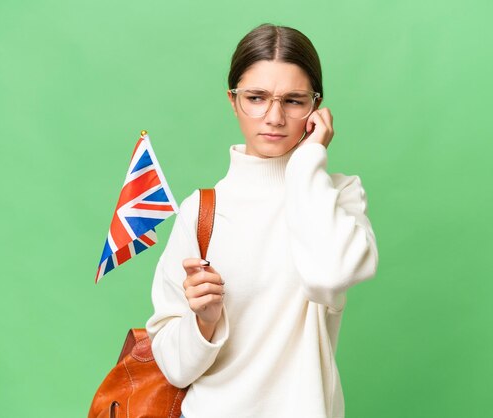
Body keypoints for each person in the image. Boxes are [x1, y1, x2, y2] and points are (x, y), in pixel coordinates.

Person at [146, 23, 379, 418]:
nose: (273, 116)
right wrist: (204, 321)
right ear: (232, 100)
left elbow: (330, 275)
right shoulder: (202, 211)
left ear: (316, 108)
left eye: (293, 100)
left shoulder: (339, 197)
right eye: (256, 97)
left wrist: (307, 161)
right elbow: (174, 367)